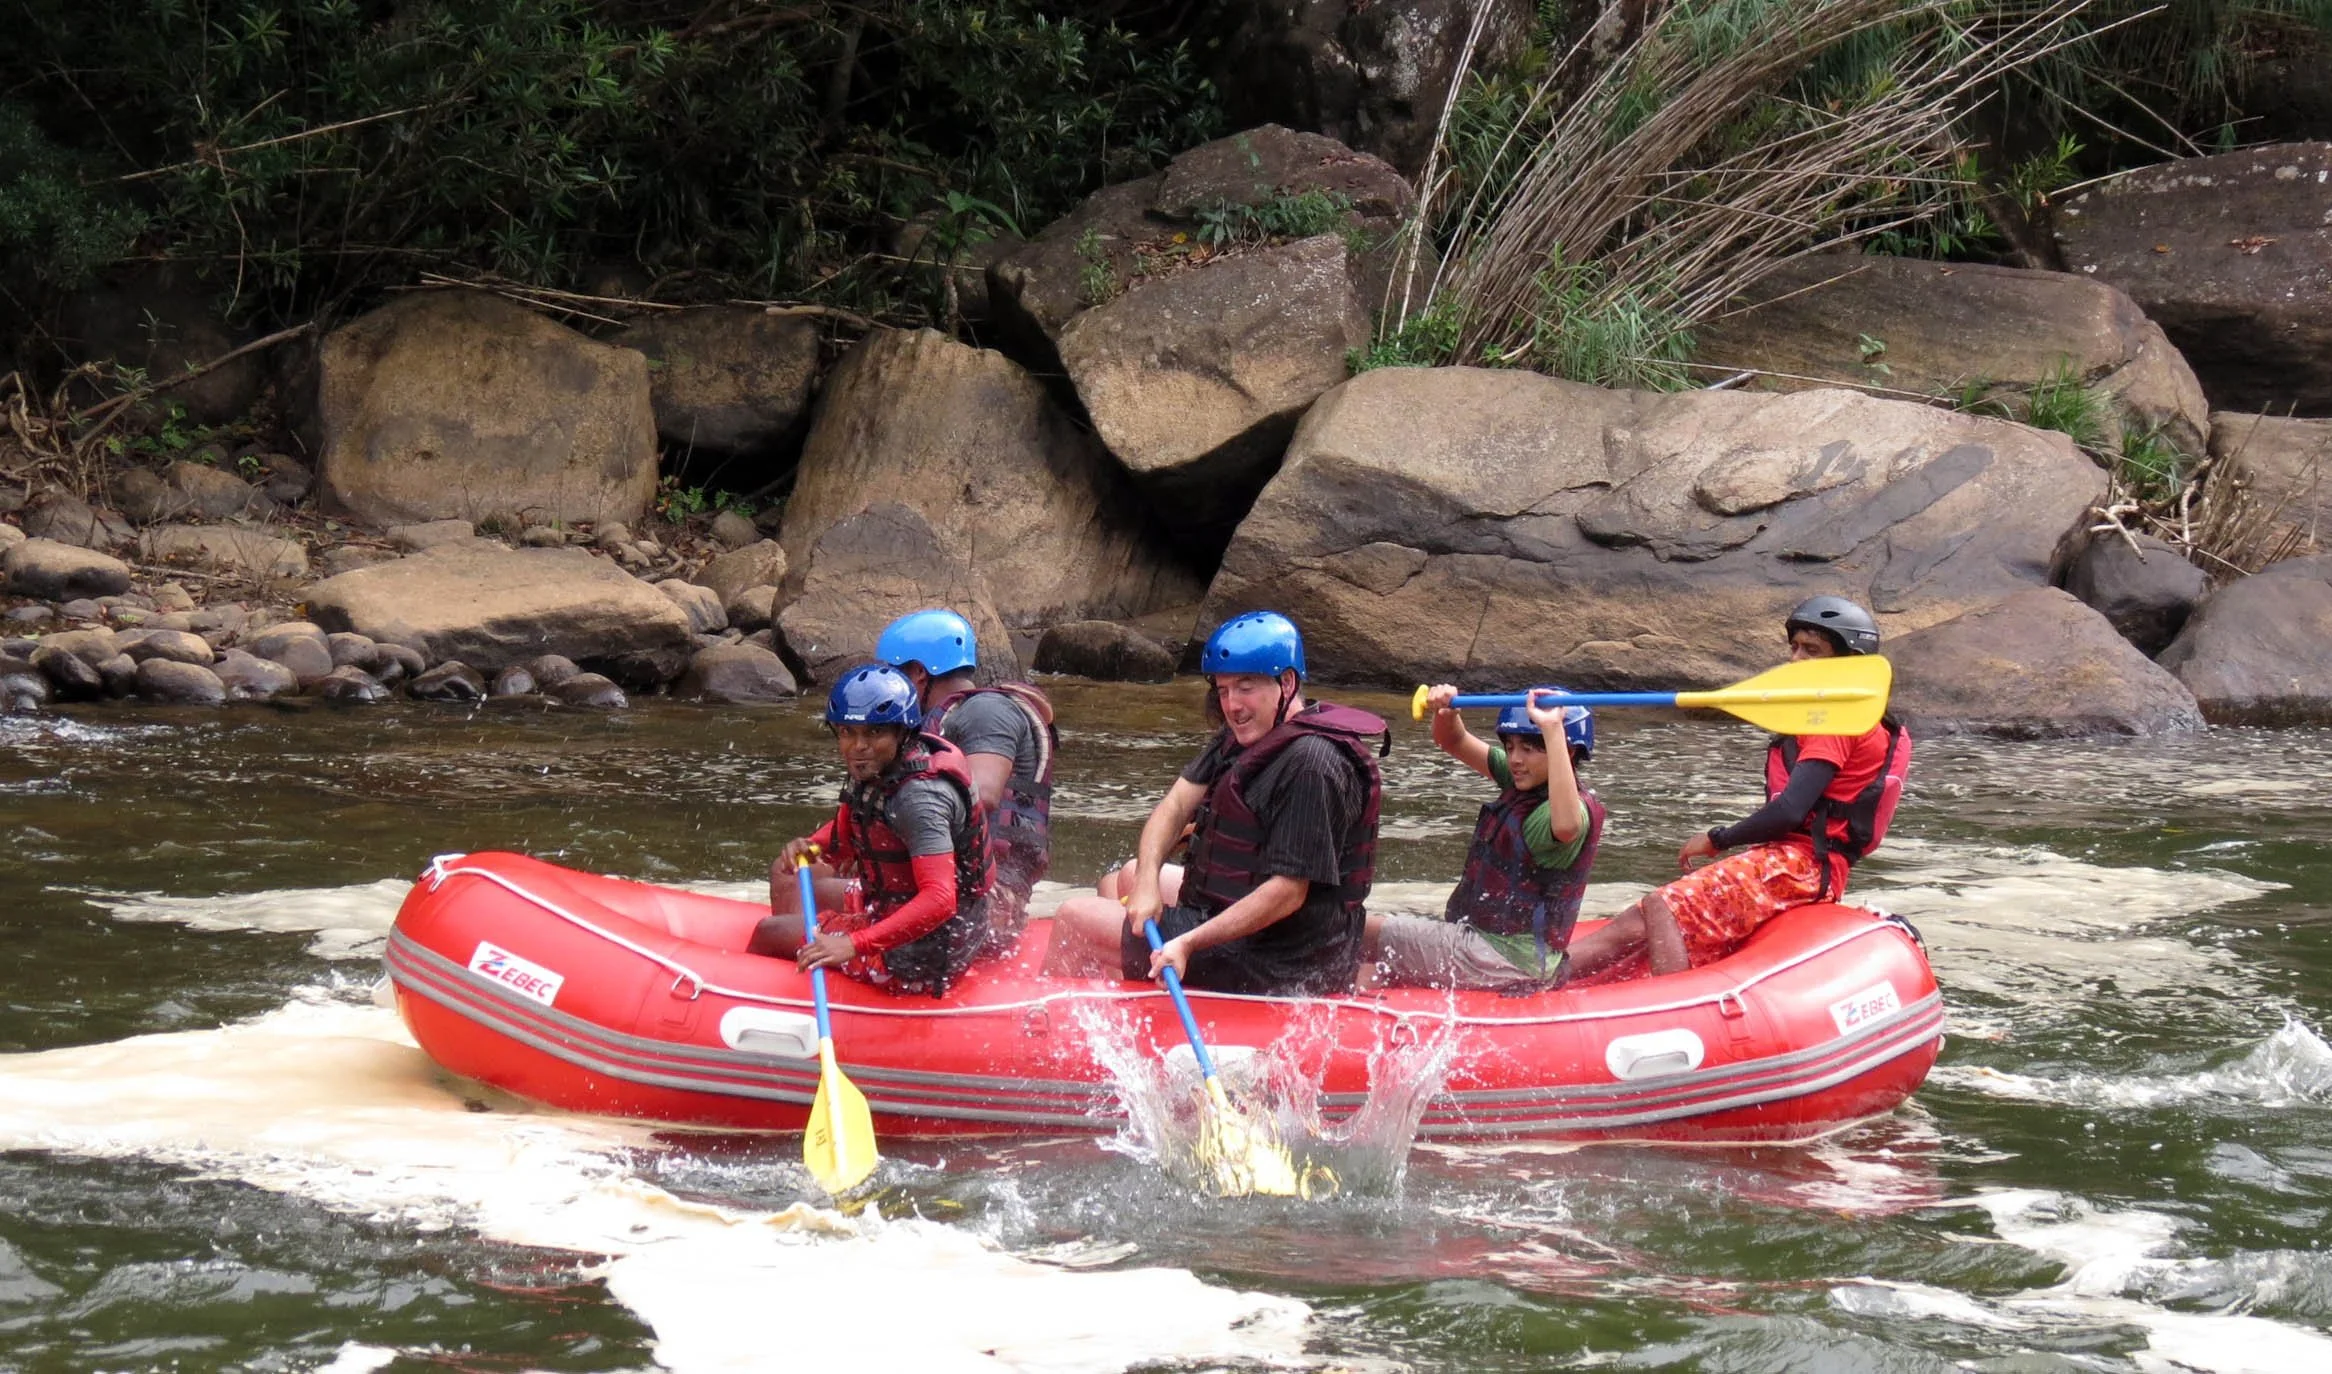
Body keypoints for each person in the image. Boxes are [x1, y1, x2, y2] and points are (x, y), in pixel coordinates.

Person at [1563, 596, 1912, 981]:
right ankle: (1535, 985)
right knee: (1638, 921)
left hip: (1804, 867)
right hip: (1802, 865)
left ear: (1849, 663)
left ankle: (1677, 1013)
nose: (1795, 659)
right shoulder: (1842, 720)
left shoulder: (1836, 726)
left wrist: (1717, 838)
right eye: (1794, 648)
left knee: (1662, 907)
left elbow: (1790, 812)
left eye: (1811, 651)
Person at [1048, 610, 1387, 996]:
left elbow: (1287, 893)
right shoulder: (1247, 735)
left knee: (1073, 917)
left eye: (1245, 687)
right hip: (1251, 931)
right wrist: (1145, 883)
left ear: (1287, 682)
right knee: (1126, 877)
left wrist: (1188, 942)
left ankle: (1045, 1032)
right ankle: (1132, 996)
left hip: (1282, 959)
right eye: (1223, 690)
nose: (1232, 705)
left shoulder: (1313, 764)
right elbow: (1175, 806)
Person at [752, 664, 997, 997]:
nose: (858, 746)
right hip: (897, 907)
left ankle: (779, 990)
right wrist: (811, 845)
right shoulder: (883, 768)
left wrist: (853, 945)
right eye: (847, 733)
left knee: (770, 931)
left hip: (927, 950)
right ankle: (807, 965)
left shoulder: (920, 801)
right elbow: (851, 834)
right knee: (797, 880)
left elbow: (940, 900)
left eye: (873, 733)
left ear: (901, 732)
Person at [1360, 685, 1603, 991]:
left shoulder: (1564, 813)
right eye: (1510, 746)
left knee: (1357, 929)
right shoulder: (1523, 778)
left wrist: (1552, 728)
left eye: (1528, 748)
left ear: (1565, 750)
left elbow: (1567, 826)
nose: (1514, 758)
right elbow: (1453, 739)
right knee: (1374, 953)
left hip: (1500, 959)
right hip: (1495, 950)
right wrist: (1447, 711)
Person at [874, 609, 1058, 954]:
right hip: (963, 892)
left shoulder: (985, 711)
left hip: (986, 904)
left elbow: (984, 794)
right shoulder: (946, 720)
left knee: (794, 893)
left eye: (890, 676)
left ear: (917, 673)